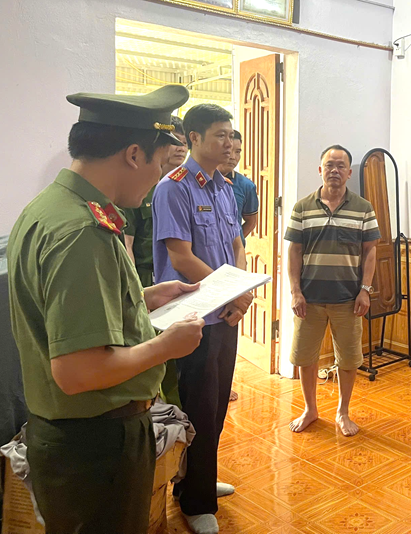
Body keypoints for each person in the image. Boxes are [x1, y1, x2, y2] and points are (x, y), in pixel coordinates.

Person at [7, 85, 205, 534]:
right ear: (134, 155)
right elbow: (78, 372)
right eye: (159, 162)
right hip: (96, 445)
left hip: (76, 437)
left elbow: (66, 311)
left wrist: (144, 297)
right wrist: (166, 346)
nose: (158, 176)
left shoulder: (52, 208)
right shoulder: (83, 231)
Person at [152, 103, 253, 534]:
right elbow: (180, 257)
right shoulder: (173, 188)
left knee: (216, 405)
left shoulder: (224, 187)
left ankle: (199, 480)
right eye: (219, 135)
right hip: (194, 318)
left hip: (225, 314)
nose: (229, 143)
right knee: (196, 408)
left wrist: (241, 292)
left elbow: (237, 245)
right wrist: (230, 294)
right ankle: (195, 502)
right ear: (193, 138)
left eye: (231, 135)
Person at [284, 145, 380, 437]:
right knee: (305, 357)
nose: (334, 170)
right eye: (329, 165)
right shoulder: (303, 207)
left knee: (348, 360)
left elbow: (370, 251)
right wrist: (295, 291)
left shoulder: (363, 208)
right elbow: (294, 251)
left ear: (349, 172)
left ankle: (343, 411)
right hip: (309, 299)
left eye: (340, 166)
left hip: (348, 300)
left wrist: (365, 290)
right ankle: (310, 410)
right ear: (320, 170)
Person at [122, 115, 188, 287]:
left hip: (182, 274)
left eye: (185, 143)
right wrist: (134, 288)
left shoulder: (187, 189)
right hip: (147, 276)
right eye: (176, 142)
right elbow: (127, 243)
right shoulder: (140, 189)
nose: (181, 148)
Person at [217, 129, 259, 403]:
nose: (233, 155)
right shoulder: (192, 184)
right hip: (206, 265)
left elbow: (250, 222)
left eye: (238, 151)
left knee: (228, 325)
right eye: (229, 149)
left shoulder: (245, 185)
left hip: (234, 261)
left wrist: (236, 242)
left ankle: (224, 383)